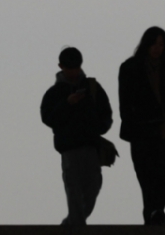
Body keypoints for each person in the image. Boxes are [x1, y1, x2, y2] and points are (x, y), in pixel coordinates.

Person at [40, 46, 113, 225]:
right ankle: (76, 225)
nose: (73, 71)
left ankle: (74, 222)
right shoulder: (54, 93)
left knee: (92, 187)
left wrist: (98, 128)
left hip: (91, 145)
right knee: (73, 187)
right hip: (69, 148)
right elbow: (48, 118)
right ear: (61, 66)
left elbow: (106, 114)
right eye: (69, 67)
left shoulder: (93, 87)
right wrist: (67, 104)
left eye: (76, 67)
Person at [118, 27, 165, 225]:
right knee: (146, 176)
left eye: (162, 45)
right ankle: (152, 213)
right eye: (154, 44)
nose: (158, 49)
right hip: (140, 131)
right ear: (146, 44)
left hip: (161, 131)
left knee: (163, 175)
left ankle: (157, 212)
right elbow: (124, 102)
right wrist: (132, 123)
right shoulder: (130, 67)